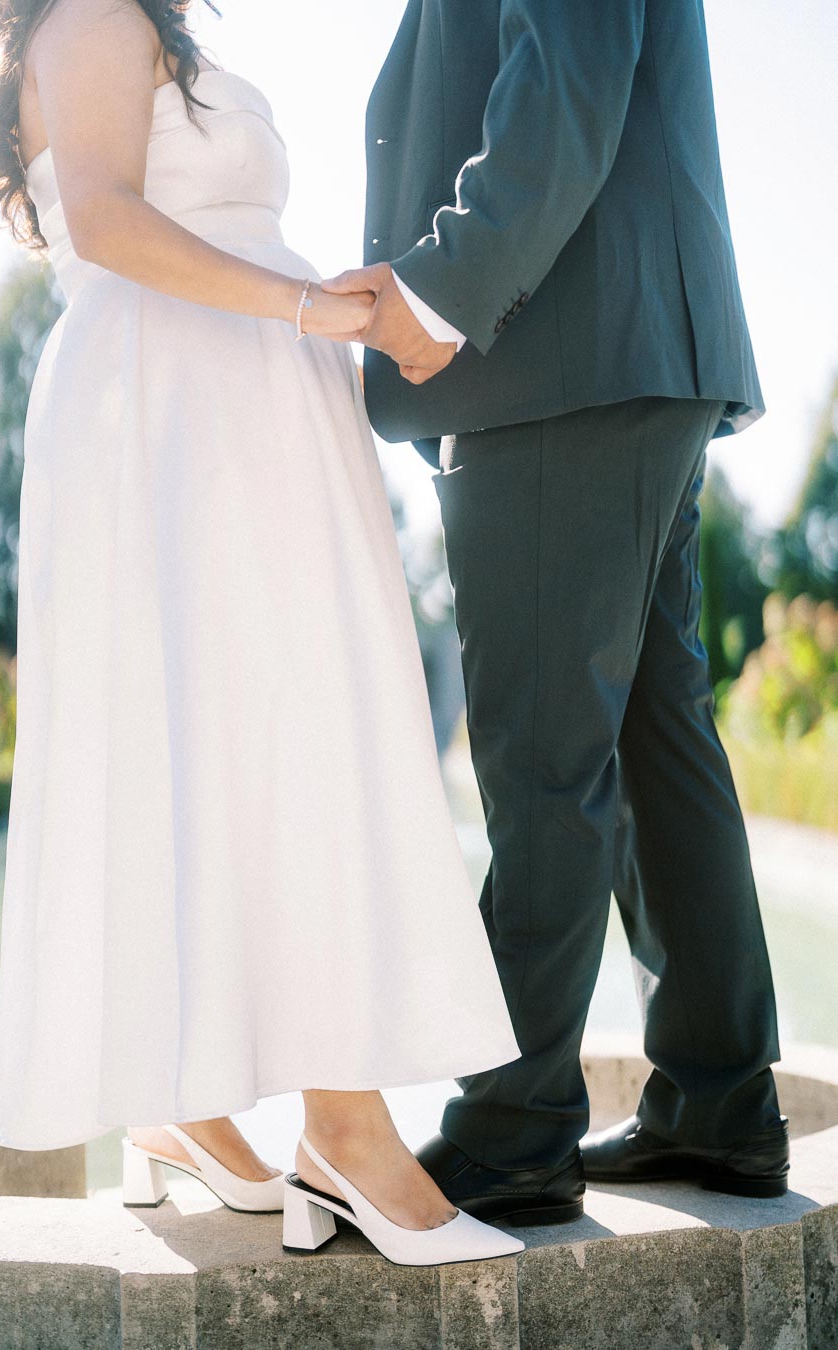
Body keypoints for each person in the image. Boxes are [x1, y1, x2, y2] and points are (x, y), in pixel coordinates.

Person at [0, 0, 527, 1267]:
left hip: (238, 403)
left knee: (262, 733)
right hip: (174, 402)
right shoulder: (95, 14)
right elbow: (106, 221)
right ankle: (342, 1124)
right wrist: (295, 304)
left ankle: (187, 1111)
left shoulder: (150, 29)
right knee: (268, 733)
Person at [324, 0, 789, 1221]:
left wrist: (437, 294)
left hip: (562, 358)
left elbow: (568, 78)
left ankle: (516, 1127)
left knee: (543, 758)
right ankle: (718, 1099)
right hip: (632, 351)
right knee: (652, 740)